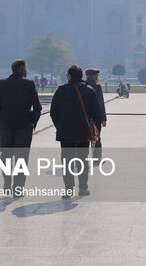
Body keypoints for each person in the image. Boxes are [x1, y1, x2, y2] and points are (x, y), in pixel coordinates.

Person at [0, 59, 42, 197]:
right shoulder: (29, 84)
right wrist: (33, 122)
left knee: (6, 156)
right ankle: (18, 188)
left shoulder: (1, 84)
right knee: (21, 158)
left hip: (6, 126)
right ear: (23, 69)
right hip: (24, 127)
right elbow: (38, 107)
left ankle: (7, 184)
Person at [50, 65, 101, 198]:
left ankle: (68, 190)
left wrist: (59, 126)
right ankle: (83, 188)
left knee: (67, 162)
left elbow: (53, 112)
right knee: (82, 161)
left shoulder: (61, 91)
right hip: (83, 132)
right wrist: (96, 132)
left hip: (65, 133)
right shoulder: (89, 91)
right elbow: (96, 114)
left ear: (69, 76)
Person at [85, 68, 107, 163]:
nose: (97, 77)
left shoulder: (82, 85)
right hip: (95, 117)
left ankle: (82, 158)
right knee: (96, 138)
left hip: (84, 116)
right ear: (92, 76)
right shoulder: (97, 87)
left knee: (84, 138)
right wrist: (103, 118)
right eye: (96, 75)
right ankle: (96, 158)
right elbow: (100, 104)